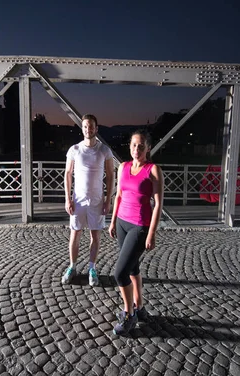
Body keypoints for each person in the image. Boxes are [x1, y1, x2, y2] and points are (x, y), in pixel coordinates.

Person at [108, 129, 163, 335]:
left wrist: (151, 233)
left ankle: (129, 313)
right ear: (129, 146)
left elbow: (157, 205)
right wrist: (113, 222)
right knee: (133, 268)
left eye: (141, 146)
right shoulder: (123, 167)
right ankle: (139, 308)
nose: (136, 149)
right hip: (122, 222)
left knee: (120, 273)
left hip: (140, 225)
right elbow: (119, 196)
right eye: (133, 145)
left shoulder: (153, 170)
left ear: (148, 148)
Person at [62, 114, 115, 287]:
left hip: (97, 201)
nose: (88, 129)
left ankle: (92, 268)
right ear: (82, 128)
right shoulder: (75, 149)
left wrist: (108, 201)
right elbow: (68, 174)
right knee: (75, 233)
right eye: (85, 126)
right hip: (78, 200)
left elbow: (110, 176)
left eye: (91, 126)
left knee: (95, 235)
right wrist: (67, 199)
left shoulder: (104, 150)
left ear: (96, 128)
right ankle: (72, 266)